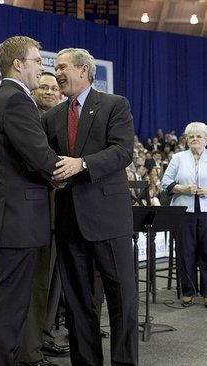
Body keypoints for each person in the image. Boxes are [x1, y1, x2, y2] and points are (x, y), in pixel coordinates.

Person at [0, 36, 70, 366]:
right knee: (7, 305)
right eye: (38, 62)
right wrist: (71, 170)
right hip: (17, 220)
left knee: (13, 304)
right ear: (19, 64)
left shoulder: (12, 97)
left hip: (16, 218)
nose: (42, 69)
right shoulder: (15, 99)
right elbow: (39, 155)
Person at [43, 47, 139, 366]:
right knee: (79, 303)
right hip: (70, 222)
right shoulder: (53, 116)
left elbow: (124, 151)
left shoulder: (114, 105)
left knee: (122, 299)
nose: (56, 72)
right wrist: (51, 177)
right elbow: (46, 160)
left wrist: (82, 164)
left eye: (61, 67)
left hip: (109, 221)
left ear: (83, 70)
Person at [20, 72, 69, 366]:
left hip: (62, 213)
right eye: (45, 87)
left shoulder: (62, 122)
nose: (50, 91)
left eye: (55, 88)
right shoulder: (28, 120)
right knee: (38, 284)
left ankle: (45, 335)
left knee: (54, 284)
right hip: (36, 213)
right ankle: (30, 346)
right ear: (34, 90)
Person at [161, 122, 207, 310]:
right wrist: (182, 188)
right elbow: (165, 182)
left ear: (206, 139)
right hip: (184, 212)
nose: (195, 139)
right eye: (191, 136)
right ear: (186, 139)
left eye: (199, 136)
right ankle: (188, 292)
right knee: (186, 253)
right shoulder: (178, 158)